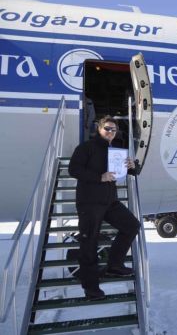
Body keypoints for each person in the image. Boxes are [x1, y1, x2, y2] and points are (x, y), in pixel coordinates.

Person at [68, 115, 140, 300]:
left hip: (110, 202)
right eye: (107, 128)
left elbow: (126, 172)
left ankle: (114, 265)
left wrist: (132, 166)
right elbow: (74, 170)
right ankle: (91, 288)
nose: (110, 132)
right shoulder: (86, 148)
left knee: (132, 225)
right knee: (89, 243)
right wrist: (99, 177)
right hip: (90, 203)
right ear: (98, 129)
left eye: (113, 130)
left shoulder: (114, 151)